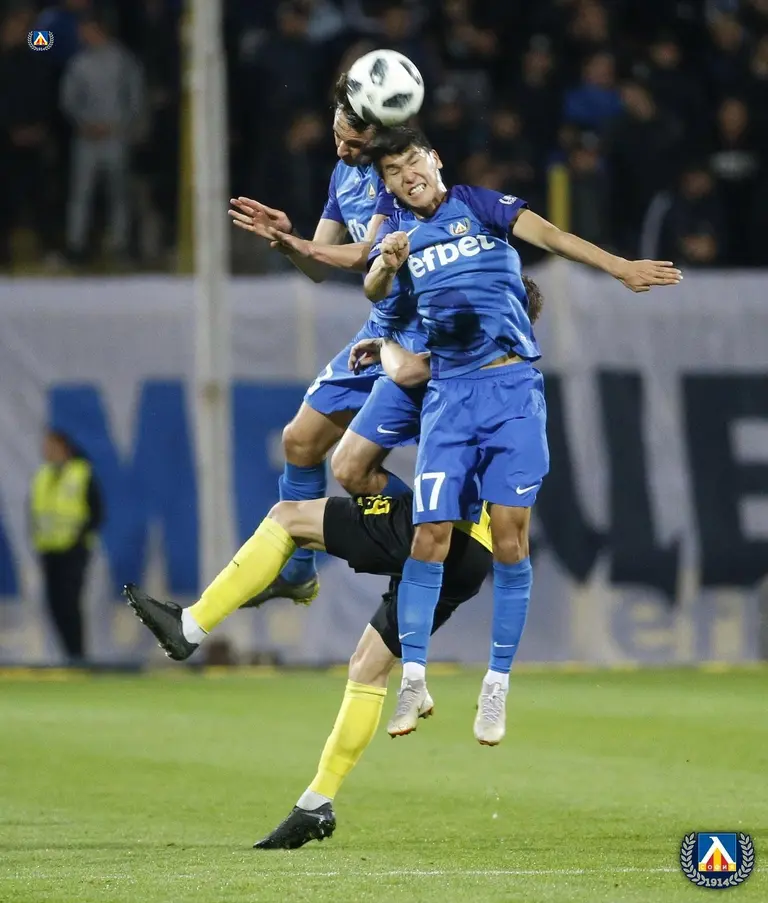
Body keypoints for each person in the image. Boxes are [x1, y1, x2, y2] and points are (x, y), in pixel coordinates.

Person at [125, 281, 542, 850]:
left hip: (432, 534)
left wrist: (385, 341)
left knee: (289, 516)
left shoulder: (465, 358)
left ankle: (190, 627)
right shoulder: (523, 387)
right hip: (473, 556)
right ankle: (316, 804)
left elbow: (409, 373)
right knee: (367, 667)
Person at [363, 127, 682, 742]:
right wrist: (385, 265)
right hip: (449, 398)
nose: (407, 175)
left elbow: (553, 237)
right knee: (429, 537)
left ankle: (496, 686)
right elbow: (373, 289)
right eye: (393, 172)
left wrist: (619, 268)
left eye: (412, 161)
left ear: (435, 160)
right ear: (388, 187)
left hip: (511, 393)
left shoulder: (479, 205)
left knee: (510, 537)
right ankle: (413, 681)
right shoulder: (397, 237)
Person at [227, 74, 428, 609]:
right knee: (299, 442)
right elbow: (319, 264)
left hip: (423, 331)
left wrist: (301, 245)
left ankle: (433, 545)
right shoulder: (345, 172)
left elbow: (367, 254)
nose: (340, 149)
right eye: (336, 135)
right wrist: (286, 242)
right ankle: (299, 574)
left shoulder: (403, 174)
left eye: (352, 141)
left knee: (354, 469)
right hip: (381, 327)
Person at [29, 429, 103, 662]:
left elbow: (97, 512)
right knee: (54, 604)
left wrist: (79, 538)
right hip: (49, 551)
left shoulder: (81, 473)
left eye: (51, 446)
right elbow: (34, 512)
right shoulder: (43, 476)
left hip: (73, 551)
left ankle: (77, 657)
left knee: (69, 604)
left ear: (64, 448)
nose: (47, 451)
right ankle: (68, 656)